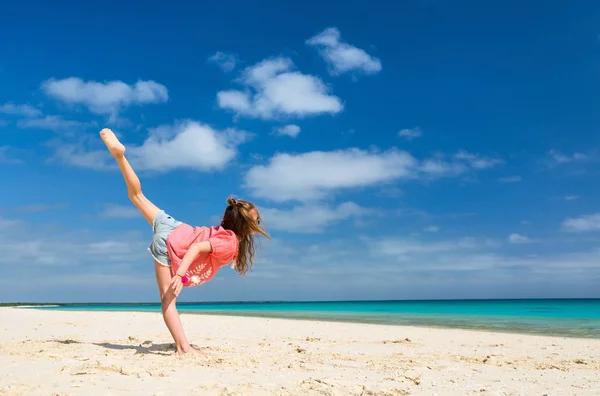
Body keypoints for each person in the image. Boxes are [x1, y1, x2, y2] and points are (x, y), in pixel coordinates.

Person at [99, 128, 269, 355]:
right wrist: (179, 275)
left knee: (137, 196)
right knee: (168, 300)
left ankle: (120, 156)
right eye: (257, 220)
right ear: (247, 226)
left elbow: (204, 244)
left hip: (176, 227)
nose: (259, 223)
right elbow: (198, 247)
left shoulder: (224, 235)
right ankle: (183, 348)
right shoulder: (229, 243)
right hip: (169, 245)